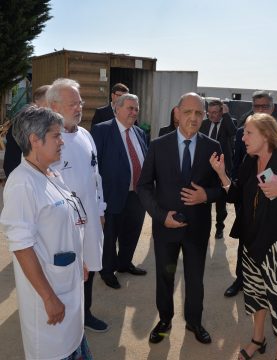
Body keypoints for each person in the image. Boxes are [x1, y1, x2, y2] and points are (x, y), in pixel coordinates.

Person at [210, 113, 277, 360]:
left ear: (266, 134)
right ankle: (257, 340)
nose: (243, 137)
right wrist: (221, 174)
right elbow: (236, 194)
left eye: (249, 133)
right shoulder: (251, 159)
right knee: (255, 293)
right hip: (251, 241)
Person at [0, 106, 92, 359]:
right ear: (35, 140)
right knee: (55, 350)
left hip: (68, 285)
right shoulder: (22, 183)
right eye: (55, 135)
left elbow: (65, 223)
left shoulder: (52, 173)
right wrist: (49, 297)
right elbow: (21, 246)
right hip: (48, 299)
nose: (62, 141)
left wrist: (79, 260)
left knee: (74, 342)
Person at [137, 93, 222, 345]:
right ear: (177, 112)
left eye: (199, 113)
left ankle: (194, 322)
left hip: (197, 228)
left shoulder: (212, 147)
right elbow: (143, 186)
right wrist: (161, 216)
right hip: (166, 228)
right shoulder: (158, 145)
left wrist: (206, 195)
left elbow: (224, 187)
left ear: (204, 116)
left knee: (195, 279)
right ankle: (164, 320)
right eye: (188, 112)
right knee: (165, 277)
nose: (193, 118)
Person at [46, 78, 109, 333]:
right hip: (63, 226)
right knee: (66, 274)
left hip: (91, 219)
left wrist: (101, 209)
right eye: (72, 103)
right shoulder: (48, 141)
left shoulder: (85, 135)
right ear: (54, 106)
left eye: (79, 102)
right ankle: (66, 319)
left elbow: (96, 176)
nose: (78, 107)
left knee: (90, 267)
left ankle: (85, 313)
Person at [224, 90, 277, 298]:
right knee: (245, 242)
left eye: (264, 107)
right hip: (247, 199)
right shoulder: (243, 133)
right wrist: (236, 191)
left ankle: (268, 283)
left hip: (273, 201)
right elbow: (236, 164)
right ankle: (241, 279)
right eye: (257, 107)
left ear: (272, 108)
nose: (260, 110)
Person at [91, 94, 148, 289]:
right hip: (111, 195)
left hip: (136, 195)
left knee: (132, 233)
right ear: (117, 108)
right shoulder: (102, 130)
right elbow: (94, 166)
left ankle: (124, 263)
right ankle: (107, 271)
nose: (133, 112)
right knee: (110, 236)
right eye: (130, 108)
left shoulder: (140, 133)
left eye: (136, 109)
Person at [200, 99, 237, 239]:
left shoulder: (228, 122)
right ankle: (204, 227)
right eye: (209, 113)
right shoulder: (204, 124)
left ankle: (219, 227)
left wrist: (226, 115)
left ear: (222, 111)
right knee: (205, 198)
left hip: (222, 169)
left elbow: (233, 132)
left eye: (215, 112)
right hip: (206, 168)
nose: (212, 116)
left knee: (221, 201)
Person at [3, 84, 50, 177]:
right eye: (50, 100)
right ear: (37, 101)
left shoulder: (36, 118)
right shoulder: (27, 119)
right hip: (21, 175)